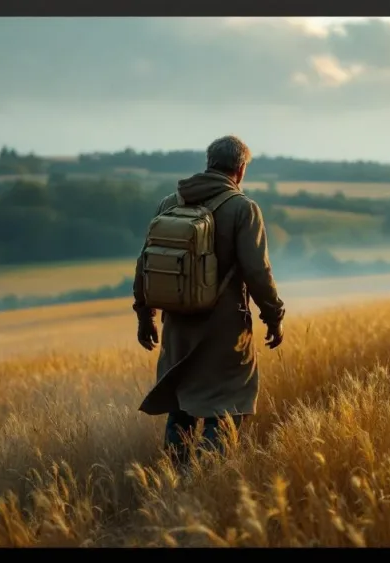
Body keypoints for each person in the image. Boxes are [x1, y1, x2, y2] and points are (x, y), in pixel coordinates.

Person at [132, 134, 286, 468]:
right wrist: (274, 316)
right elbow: (258, 272)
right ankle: (206, 480)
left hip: (177, 327)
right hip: (225, 331)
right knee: (227, 406)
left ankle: (176, 478)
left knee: (182, 404)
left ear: (208, 162)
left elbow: (145, 264)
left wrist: (145, 316)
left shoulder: (169, 203)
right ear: (240, 170)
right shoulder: (243, 209)